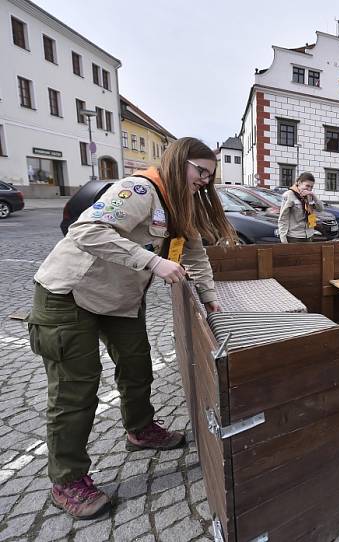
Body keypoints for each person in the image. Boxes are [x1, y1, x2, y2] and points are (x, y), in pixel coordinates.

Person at [28, 137, 235, 519]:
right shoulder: (138, 189)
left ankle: (140, 430)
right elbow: (85, 231)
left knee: (137, 365)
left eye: (210, 175)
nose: (205, 180)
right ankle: (67, 480)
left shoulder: (180, 204)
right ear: (178, 163)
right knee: (77, 388)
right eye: (200, 171)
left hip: (118, 300)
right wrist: (153, 263)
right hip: (69, 293)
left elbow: (194, 253)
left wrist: (208, 297)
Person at [277, 171, 325, 243]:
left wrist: (313, 195)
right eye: (307, 186)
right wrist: (283, 239)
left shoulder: (309, 195)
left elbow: (321, 209)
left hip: (309, 235)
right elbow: (283, 218)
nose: (309, 189)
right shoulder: (289, 195)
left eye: (311, 187)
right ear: (299, 183)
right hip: (295, 237)